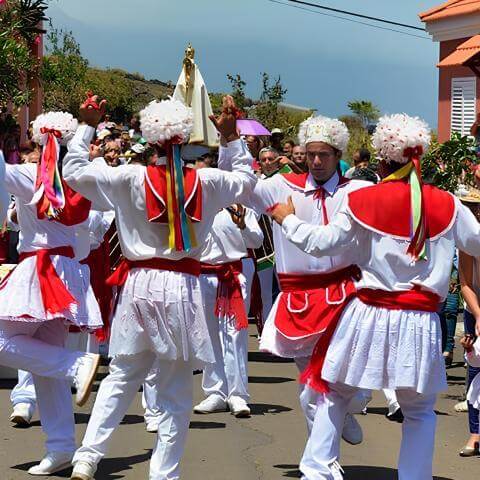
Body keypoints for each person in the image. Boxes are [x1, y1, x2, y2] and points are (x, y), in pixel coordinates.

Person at [269, 113, 480, 480]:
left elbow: (321, 244)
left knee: (333, 392)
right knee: (419, 410)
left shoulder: (364, 199)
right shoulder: (448, 203)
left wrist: (288, 219)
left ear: (381, 158)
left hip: (368, 312)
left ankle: (317, 472)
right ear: (419, 156)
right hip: (421, 320)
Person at [63, 95, 256, 480]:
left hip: (139, 285)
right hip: (183, 286)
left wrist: (86, 126)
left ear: (149, 141)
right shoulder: (207, 180)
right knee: (176, 388)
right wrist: (232, 138)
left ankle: (87, 456)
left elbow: (74, 172)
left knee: (122, 375)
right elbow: (246, 182)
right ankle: (163, 473)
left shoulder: (129, 177)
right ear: (186, 141)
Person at [245, 115, 371, 468]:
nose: (316, 161)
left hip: (346, 297)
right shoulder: (281, 187)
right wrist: (230, 144)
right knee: (310, 388)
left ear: (338, 154)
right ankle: (324, 463)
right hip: (299, 300)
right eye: (311, 154)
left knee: (349, 382)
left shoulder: (356, 192)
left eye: (324, 155)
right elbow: (240, 187)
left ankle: (347, 409)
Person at [0, 112, 104, 476]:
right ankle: (61, 446)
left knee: (3, 342)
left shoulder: (30, 175)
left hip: (39, 270)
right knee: (47, 366)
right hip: (67, 271)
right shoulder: (80, 180)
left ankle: (78, 366)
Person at [193, 203, 263, 417]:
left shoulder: (241, 209)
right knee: (209, 335)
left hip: (231, 275)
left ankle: (238, 394)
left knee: (234, 334)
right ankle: (215, 391)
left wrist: (242, 225)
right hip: (202, 275)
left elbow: (257, 241)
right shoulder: (195, 208)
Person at [458, 251, 480, 456]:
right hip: (475, 304)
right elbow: (465, 284)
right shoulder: (470, 235)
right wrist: (479, 315)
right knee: (475, 363)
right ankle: (475, 433)